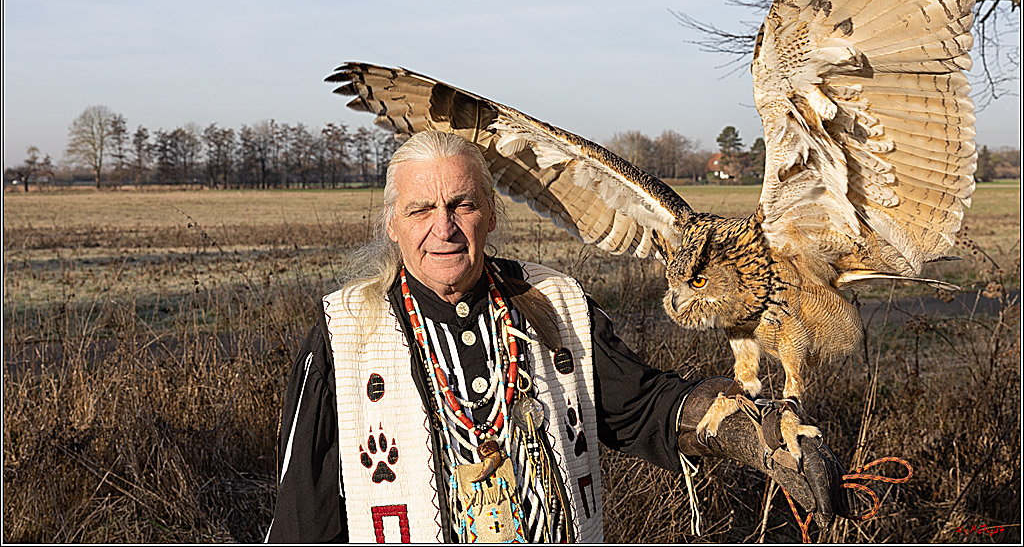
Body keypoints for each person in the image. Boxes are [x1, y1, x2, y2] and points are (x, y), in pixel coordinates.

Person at [266, 131, 846, 543]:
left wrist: (744, 428)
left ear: (490, 215)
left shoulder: (556, 303)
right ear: (393, 225)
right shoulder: (345, 332)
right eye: (421, 210)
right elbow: (305, 511)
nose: (442, 228)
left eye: (462, 205)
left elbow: (642, 408)